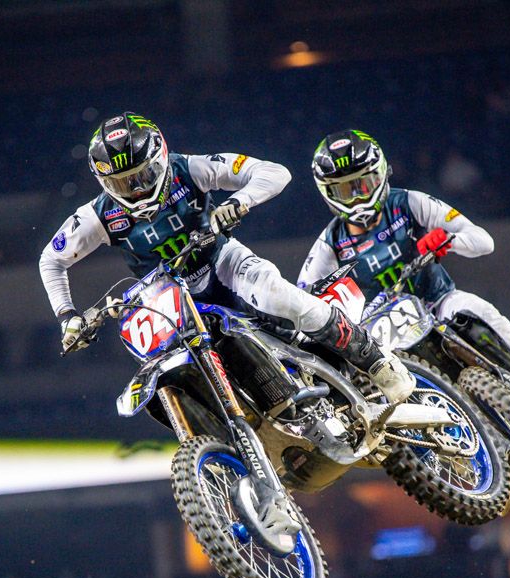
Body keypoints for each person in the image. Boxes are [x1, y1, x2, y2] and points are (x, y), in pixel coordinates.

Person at [37, 113, 414, 402]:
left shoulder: (190, 168)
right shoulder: (98, 215)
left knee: (279, 295)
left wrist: (239, 201)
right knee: (160, 363)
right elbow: (51, 260)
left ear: (161, 157)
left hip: (222, 262)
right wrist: (67, 315)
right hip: (167, 299)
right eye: (122, 183)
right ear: (103, 182)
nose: (135, 189)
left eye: (143, 175)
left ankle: (376, 361)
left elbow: (274, 172)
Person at [297, 129, 510, 437]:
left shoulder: (409, 203)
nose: (358, 196)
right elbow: (303, 302)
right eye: (346, 190)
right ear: (329, 193)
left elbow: (483, 241)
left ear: (381, 174)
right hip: (387, 336)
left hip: (438, 302)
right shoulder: (329, 244)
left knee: (476, 309)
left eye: (364, 184)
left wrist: (447, 238)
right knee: (379, 387)